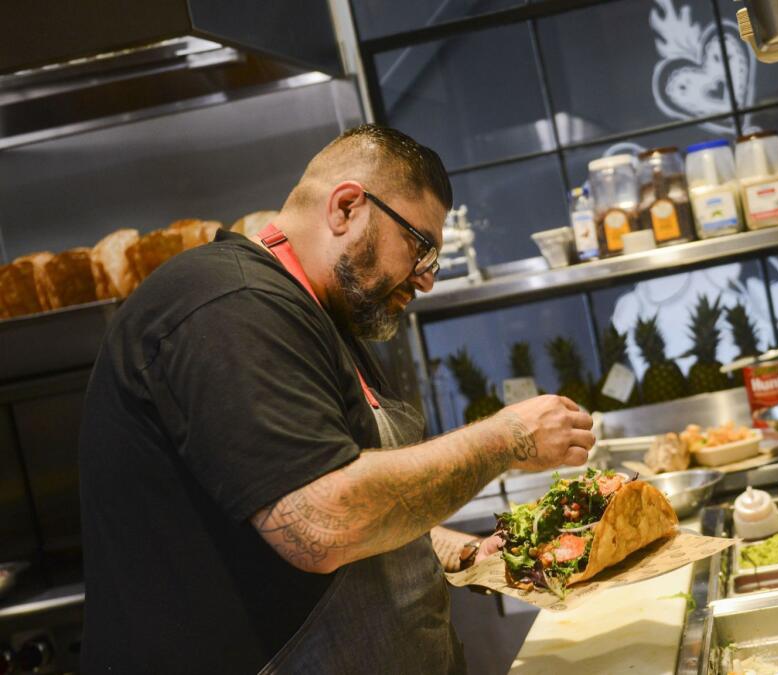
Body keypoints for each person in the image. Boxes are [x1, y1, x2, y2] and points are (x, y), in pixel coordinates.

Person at [77, 124, 594, 674]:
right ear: (346, 207)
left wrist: (455, 549)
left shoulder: (316, 315)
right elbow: (320, 525)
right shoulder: (229, 306)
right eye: (421, 249)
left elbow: (337, 495)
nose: (426, 282)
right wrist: (507, 436)